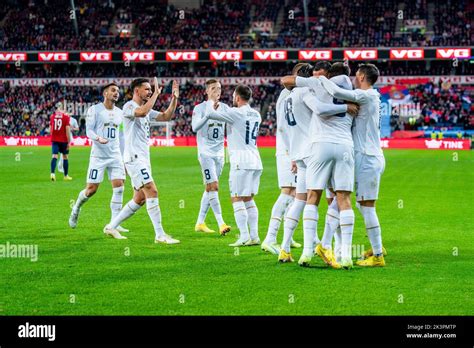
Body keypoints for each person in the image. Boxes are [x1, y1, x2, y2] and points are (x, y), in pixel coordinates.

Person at [318, 63, 387, 267]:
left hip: (365, 157)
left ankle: (376, 255)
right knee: (355, 202)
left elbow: (337, 91)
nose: (354, 79)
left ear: (363, 77)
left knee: (354, 202)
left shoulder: (365, 95)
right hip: (371, 156)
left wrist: (320, 79)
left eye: (357, 75)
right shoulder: (372, 96)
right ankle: (377, 249)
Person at [103, 78, 180, 243]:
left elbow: (166, 116)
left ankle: (111, 226)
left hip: (144, 159)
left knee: (140, 198)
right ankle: (160, 235)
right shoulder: (129, 106)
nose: (150, 92)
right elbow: (143, 112)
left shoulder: (146, 109)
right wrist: (157, 94)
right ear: (136, 91)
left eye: (151, 90)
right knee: (152, 190)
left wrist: (174, 98)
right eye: (147, 89)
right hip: (134, 158)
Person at [203, 85, 263, 247]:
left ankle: (244, 236)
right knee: (249, 199)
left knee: (236, 198)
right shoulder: (256, 114)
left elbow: (209, 114)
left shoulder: (236, 113)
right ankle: (254, 236)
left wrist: (211, 99)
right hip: (255, 160)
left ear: (237, 98)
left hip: (241, 161)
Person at [69, 83, 128, 234]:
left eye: (118, 91)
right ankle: (76, 208)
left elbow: (121, 136)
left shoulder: (120, 113)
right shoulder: (94, 110)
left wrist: (123, 156)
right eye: (113, 90)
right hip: (98, 156)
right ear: (105, 93)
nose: (116, 93)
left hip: (115, 155)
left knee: (119, 186)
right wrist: (98, 138)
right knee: (91, 190)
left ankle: (114, 223)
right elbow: (88, 131)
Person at [191, 79, 231, 235]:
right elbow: (194, 127)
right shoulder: (199, 108)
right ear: (206, 91)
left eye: (219, 88)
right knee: (213, 187)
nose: (217, 91)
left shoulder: (225, 108)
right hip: (206, 153)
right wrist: (208, 115)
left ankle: (200, 222)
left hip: (221, 154)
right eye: (213, 88)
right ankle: (221, 223)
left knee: (209, 189)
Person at [49, 105, 72, 181]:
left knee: (54, 156)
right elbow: (67, 130)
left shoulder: (52, 117)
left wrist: (53, 136)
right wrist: (69, 142)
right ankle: (65, 176)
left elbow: (50, 129)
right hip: (63, 140)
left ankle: (52, 174)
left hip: (54, 140)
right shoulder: (66, 117)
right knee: (65, 156)